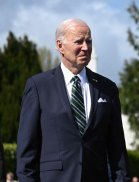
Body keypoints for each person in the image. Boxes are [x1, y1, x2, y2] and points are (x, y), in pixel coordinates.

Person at [16, 18, 130, 182]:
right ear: (60, 45)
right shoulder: (39, 87)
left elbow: (117, 147)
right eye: (79, 41)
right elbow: (27, 151)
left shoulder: (107, 88)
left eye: (89, 41)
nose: (86, 47)